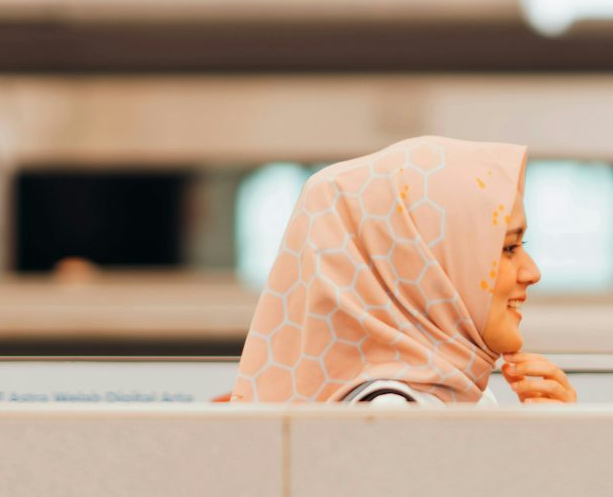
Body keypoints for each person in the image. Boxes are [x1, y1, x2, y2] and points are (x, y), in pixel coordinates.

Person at [230, 136, 577, 405]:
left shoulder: (454, 398)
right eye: (508, 248)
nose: (532, 272)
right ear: (428, 268)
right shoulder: (389, 415)